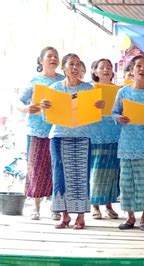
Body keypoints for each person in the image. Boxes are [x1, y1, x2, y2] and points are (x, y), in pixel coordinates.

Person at [40, 53, 104, 229]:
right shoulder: (54, 88)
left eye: (78, 64)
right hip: (59, 136)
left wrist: (99, 107)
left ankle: (81, 216)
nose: (75, 67)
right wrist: (44, 107)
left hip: (82, 136)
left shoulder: (88, 89)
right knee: (60, 175)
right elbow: (47, 118)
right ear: (63, 68)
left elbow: (95, 118)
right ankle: (64, 215)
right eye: (71, 64)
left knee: (80, 175)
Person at [112, 55, 144, 231]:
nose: (142, 70)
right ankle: (130, 218)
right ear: (131, 70)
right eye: (139, 66)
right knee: (127, 182)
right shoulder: (123, 92)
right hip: (128, 143)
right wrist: (119, 118)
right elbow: (114, 113)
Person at [19, 47, 64, 220]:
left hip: (59, 130)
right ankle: (35, 207)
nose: (53, 58)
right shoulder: (34, 80)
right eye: (49, 56)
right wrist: (26, 108)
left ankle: (55, 207)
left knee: (56, 168)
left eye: (56, 56)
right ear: (41, 60)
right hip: (37, 130)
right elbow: (19, 101)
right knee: (36, 168)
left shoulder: (63, 81)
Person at [88, 59, 121, 220]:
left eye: (109, 67)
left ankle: (108, 204)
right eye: (102, 67)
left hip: (115, 132)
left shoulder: (119, 90)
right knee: (96, 170)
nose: (106, 70)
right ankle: (94, 204)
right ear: (94, 71)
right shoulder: (89, 88)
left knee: (112, 171)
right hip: (95, 133)